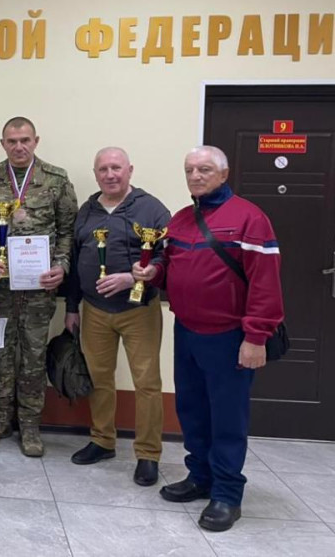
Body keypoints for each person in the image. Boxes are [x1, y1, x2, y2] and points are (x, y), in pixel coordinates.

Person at [132, 145, 283, 532]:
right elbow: (172, 268)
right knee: (192, 410)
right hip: (187, 331)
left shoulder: (250, 219)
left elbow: (265, 285)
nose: (195, 176)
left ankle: (227, 494)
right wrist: (153, 274)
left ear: (224, 174)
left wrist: (255, 337)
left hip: (229, 337)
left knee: (227, 418)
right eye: (189, 170)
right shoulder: (182, 220)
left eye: (204, 169)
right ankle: (200, 477)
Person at [0, 117, 77, 457]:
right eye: (12, 141)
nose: (19, 146)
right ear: (2, 143)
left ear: (36, 141)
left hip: (39, 288)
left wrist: (62, 266)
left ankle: (30, 425)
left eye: (25, 140)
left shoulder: (56, 179)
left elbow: (68, 231)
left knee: (33, 356)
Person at [64, 147, 170, 486]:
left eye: (116, 168)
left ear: (130, 170)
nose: (110, 175)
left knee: (147, 383)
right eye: (103, 169)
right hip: (94, 310)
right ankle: (102, 440)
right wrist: (71, 307)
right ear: (95, 174)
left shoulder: (152, 209)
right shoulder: (87, 210)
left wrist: (134, 278)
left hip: (138, 310)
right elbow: (75, 259)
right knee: (99, 378)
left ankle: (148, 454)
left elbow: (168, 257)